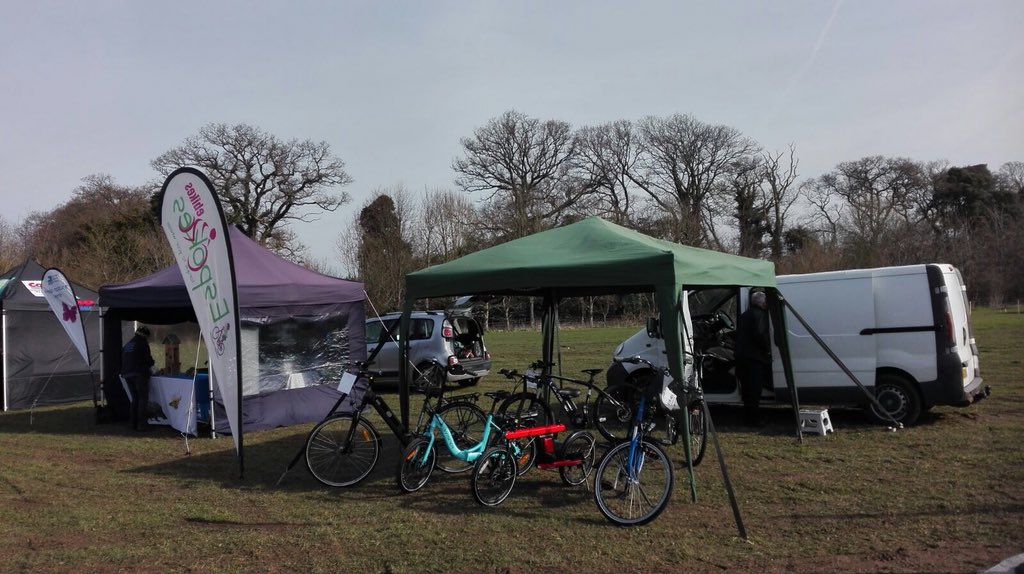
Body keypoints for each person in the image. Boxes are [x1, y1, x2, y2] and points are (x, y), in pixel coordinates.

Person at [734, 290, 772, 427]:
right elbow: (760, 334)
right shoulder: (761, 315)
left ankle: (747, 418)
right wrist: (769, 349)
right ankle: (754, 420)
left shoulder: (744, 315)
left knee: (747, 390)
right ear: (762, 303)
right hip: (755, 358)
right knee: (755, 391)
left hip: (742, 357)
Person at [122, 325, 155, 431]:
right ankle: (141, 424)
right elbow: (147, 360)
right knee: (142, 399)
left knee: (135, 399)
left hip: (127, 374)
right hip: (139, 374)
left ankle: (132, 423)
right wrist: (152, 363)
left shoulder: (128, 344)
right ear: (145, 335)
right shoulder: (142, 343)